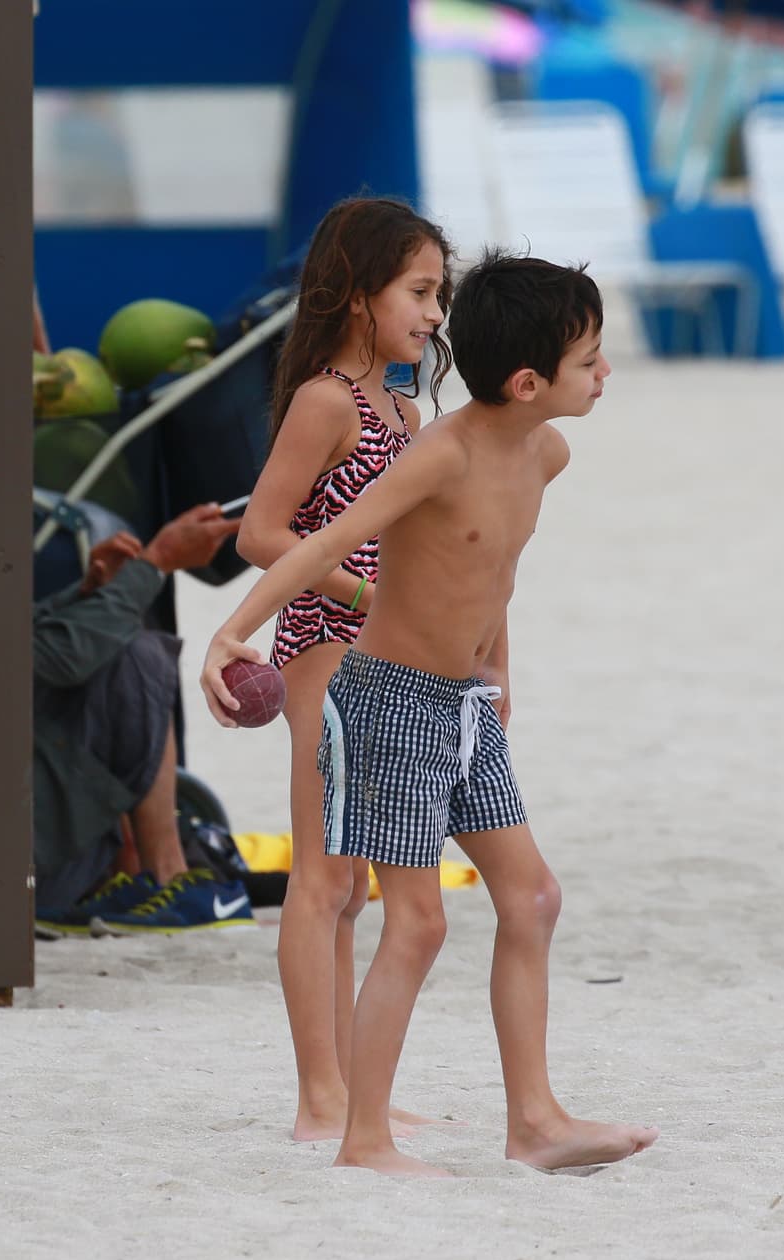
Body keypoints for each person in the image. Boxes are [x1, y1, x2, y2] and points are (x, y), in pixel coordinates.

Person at [201, 250, 658, 1176]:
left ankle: (534, 1123)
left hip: (466, 708)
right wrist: (229, 633)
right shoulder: (437, 455)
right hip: (387, 704)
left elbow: (498, 572)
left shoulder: (548, 450)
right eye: (591, 361)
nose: (606, 374)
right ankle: (362, 1138)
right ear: (529, 381)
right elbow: (317, 543)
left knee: (532, 898)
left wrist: (498, 669)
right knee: (418, 922)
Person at [234, 196, 454, 1142]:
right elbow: (259, 532)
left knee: (352, 884)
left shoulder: (401, 407)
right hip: (325, 645)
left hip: (383, 660)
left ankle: (350, 1087)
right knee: (323, 880)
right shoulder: (330, 399)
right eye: (419, 291)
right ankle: (317, 1097)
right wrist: (366, 595)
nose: (436, 314)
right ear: (358, 295)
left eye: (440, 295)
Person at [34, 503, 252, 936]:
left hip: (26, 841)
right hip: (21, 863)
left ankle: (137, 877)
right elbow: (58, 658)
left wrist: (85, 594)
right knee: (139, 658)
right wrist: (156, 563)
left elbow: (10, 637)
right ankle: (167, 875)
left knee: (119, 639)